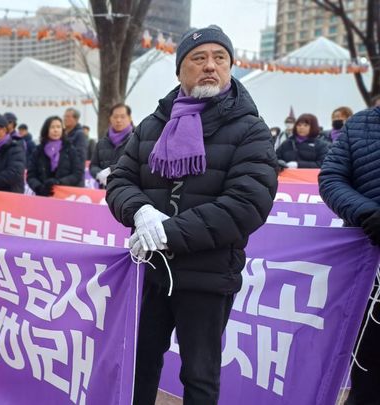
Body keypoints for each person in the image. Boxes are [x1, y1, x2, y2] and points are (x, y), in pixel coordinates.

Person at [106, 26, 277, 405]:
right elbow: (120, 181)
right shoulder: (153, 125)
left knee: (199, 376)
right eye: (199, 58)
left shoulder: (250, 129)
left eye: (220, 58)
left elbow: (248, 204)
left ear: (231, 68)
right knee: (139, 363)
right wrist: (141, 211)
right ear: (181, 70)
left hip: (209, 273)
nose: (210, 67)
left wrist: (168, 231)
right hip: (150, 272)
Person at [319, 105, 380, 405]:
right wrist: (366, 212)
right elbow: (331, 178)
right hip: (370, 271)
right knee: (367, 372)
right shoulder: (359, 125)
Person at [27, 116, 84, 196]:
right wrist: (39, 187)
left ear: (62, 130)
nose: (56, 130)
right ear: (46, 130)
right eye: (52, 127)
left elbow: (78, 173)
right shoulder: (38, 151)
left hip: (65, 196)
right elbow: (31, 175)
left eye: (58, 127)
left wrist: (60, 182)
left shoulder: (70, 149)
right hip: (43, 196)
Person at [90, 103, 134, 188]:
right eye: (115, 116)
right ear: (110, 118)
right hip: (104, 192)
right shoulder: (101, 143)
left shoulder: (135, 141)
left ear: (129, 118)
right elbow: (93, 165)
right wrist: (99, 174)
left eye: (122, 116)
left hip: (127, 190)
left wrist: (111, 172)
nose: (118, 120)